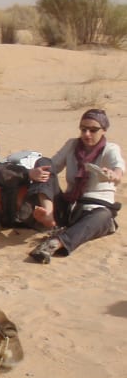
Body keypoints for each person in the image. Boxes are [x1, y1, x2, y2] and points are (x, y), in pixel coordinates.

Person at [27, 109, 123, 263]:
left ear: (104, 130)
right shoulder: (72, 145)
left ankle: (54, 244)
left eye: (93, 130)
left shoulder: (110, 149)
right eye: (83, 129)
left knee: (103, 217)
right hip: (69, 207)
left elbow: (118, 171)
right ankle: (49, 214)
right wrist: (32, 173)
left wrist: (112, 175)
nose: (86, 134)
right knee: (44, 163)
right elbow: (52, 167)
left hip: (96, 210)